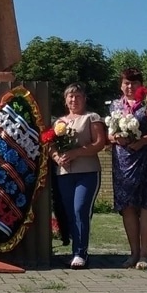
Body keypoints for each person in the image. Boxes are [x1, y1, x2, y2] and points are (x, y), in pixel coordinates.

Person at [107, 68, 147, 270]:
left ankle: (145, 255)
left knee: (146, 205)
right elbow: (109, 134)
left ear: (141, 84)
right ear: (120, 84)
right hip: (122, 161)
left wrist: (142, 141)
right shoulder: (115, 105)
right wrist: (115, 137)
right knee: (128, 207)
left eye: (133, 83)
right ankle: (133, 253)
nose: (129, 87)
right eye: (125, 83)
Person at [49, 82, 107, 269]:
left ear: (84, 98)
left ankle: (81, 253)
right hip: (64, 173)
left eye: (78, 96)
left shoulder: (92, 118)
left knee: (80, 209)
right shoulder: (59, 122)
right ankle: (75, 250)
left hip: (87, 172)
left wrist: (77, 153)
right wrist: (57, 157)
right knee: (69, 213)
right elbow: (50, 145)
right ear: (65, 100)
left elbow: (100, 143)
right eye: (70, 96)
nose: (74, 100)